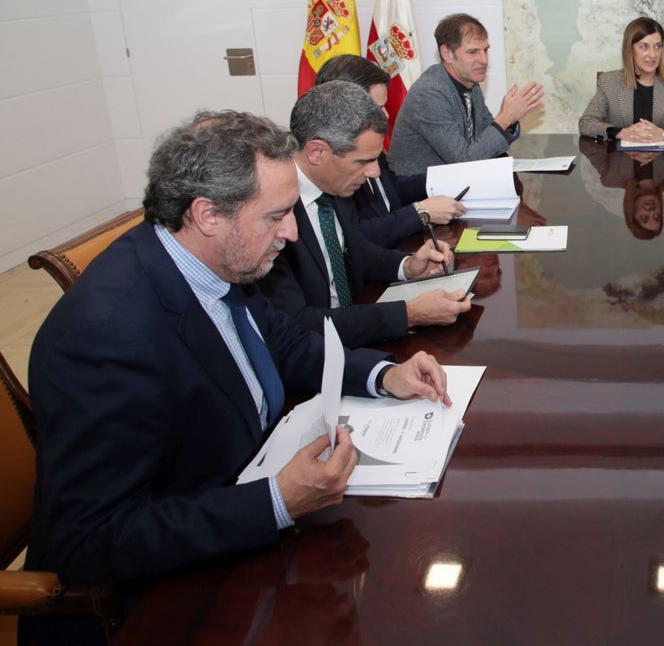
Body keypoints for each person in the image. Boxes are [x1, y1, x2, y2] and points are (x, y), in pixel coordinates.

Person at [24, 111, 450, 605]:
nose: (292, 232)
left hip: (244, 500)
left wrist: (384, 374)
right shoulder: (103, 339)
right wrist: (275, 503)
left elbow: (285, 342)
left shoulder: (219, 259)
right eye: (276, 216)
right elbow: (91, 539)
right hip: (161, 598)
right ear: (208, 215)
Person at [259, 81, 471, 348]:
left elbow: (355, 250)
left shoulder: (336, 185)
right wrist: (409, 314)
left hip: (358, 331)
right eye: (363, 161)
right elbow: (298, 322)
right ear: (317, 152)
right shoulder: (272, 214)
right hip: (315, 357)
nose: (375, 173)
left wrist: (407, 266)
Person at [315, 54, 465, 247]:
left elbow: (391, 191)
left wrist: (445, 178)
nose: (385, 115)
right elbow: (355, 233)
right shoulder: (333, 161)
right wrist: (421, 212)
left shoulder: (369, 144)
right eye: (378, 108)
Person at [388, 13, 544, 174]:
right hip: (419, 189)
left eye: (485, 50)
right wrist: (505, 118)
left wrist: (510, 118)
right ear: (447, 53)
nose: (483, 60)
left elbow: (485, 136)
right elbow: (464, 162)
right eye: (473, 52)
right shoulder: (430, 93)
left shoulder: (470, 82)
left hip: (454, 180)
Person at [578, 16, 664, 142]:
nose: (653, 54)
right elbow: (586, 123)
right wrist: (623, 133)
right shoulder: (609, 82)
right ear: (630, 49)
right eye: (644, 46)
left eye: (657, 46)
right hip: (621, 161)